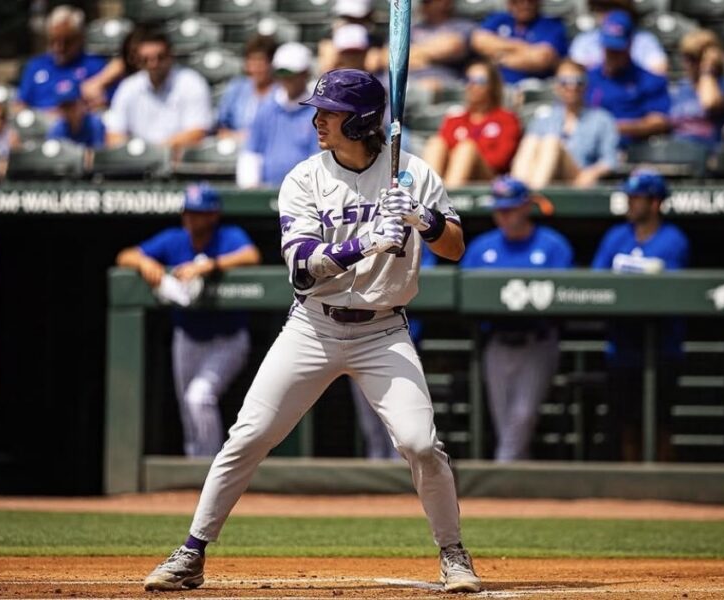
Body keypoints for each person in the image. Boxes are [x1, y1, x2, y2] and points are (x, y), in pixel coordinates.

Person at [142, 69, 482, 593]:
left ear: (363, 121)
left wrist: (422, 217)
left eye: (329, 111)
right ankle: (191, 552)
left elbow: (456, 247)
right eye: (317, 110)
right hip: (313, 326)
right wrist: (365, 242)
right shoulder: (304, 178)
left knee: (420, 443)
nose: (318, 119)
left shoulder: (414, 173)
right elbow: (301, 267)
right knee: (249, 435)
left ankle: (454, 555)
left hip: (382, 331)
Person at [115, 184, 261, 457]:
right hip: (188, 338)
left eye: (198, 213)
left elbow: (251, 256)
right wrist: (144, 263)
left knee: (199, 398)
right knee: (188, 409)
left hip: (227, 339)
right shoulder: (174, 239)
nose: (191, 218)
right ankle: (194, 469)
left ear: (213, 215)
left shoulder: (228, 236)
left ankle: (209, 468)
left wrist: (211, 265)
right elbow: (125, 255)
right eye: (188, 212)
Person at [461, 176, 572, 461]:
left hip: (537, 341)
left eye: (510, 208)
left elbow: (566, 296)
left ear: (526, 207)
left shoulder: (552, 245)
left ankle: (500, 473)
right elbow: (462, 292)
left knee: (523, 416)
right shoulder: (481, 247)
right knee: (505, 421)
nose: (503, 215)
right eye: (499, 209)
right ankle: (517, 489)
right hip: (497, 342)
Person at [591, 170, 688, 461]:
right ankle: (631, 491)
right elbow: (597, 278)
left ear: (655, 202)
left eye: (637, 198)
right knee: (625, 420)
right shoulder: (616, 236)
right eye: (629, 197)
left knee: (661, 420)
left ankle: (663, 488)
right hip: (623, 343)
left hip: (663, 344)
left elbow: (671, 288)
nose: (630, 204)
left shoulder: (673, 239)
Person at [349, 245, 438, 460]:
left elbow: (421, 276)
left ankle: (402, 480)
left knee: (401, 425)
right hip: (358, 338)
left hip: (400, 342)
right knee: (371, 427)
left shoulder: (412, 235)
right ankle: (378, 483)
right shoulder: (354, 230)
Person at [510, 59, 619, 189]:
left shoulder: (601, 119)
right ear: (556, 85)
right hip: (543, 175)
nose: (571, 87)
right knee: (532, 140)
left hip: (578, 176)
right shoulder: (544, 118)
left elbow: (610, 160)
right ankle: (517, 191)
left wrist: (593, 173)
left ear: (585, 85)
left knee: (552, 142)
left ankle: (532, 196)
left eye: (578, 81)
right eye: (564, 82)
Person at [103, 31, 212, 152]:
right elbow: (114, 135)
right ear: (138, 60)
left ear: (171, 55)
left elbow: (197, 133)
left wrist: (154, 153)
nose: (153, 64)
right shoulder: (128, 87)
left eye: (160, 57)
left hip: (178, 160)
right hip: (137, 162)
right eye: (146, 59)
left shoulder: (192, 83)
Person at [423, 60, 521, 187]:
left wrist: (471, 154)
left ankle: (448, 198)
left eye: (479, 81)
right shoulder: (455, 119)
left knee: (467, 148)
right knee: (436, 143)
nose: (472, 85)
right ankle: (426, 193)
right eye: (468, 80)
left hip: (489, 179)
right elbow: (444, 150)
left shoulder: (506, 119)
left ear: (492, 86)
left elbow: (501, 161)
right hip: (452, 171)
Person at [236, 43, 320, 188]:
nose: (286, 79)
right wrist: (252, 188)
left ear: (305, 73)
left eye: (291, 73)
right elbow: (251, 152)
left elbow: (319, 159)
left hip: (307, 194)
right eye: (281, 73)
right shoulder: (266, 109)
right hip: (266, 190)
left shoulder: (318, 112)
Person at [584, 11, 671, 147]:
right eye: (608, 48)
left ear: (630, 44)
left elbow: (659, 121)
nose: (612, 54)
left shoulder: (648, 80)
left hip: (633, 149)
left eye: (617, 49)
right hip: (591, 147)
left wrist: (616, 128)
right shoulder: (589, 78)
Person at [16, 5, 113, 110]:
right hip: (40, 122)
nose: (59, 47)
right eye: (54, 40)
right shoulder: (35, 66)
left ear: (80, 38)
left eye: (67, 41)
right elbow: (20, 105)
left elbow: (104, 104)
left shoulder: (95, 66)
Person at [668, 30, 724, 151]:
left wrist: (707, 71)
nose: (688, 63)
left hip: (708, 154)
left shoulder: (723, 85)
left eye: (694, 58)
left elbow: (709, 104)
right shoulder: (680, 87)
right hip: (679, 153)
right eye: (686, 57)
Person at [470, 0, 568, 84]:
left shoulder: (551, 25)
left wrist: (499, 57)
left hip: (533, 87)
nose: (525, 5)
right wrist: (524, 48)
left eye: (530, 0)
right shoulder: (499, 19)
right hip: (497, 87)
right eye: (518, 1)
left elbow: (542, 58)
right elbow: (479, 41)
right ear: (510, 3)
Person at [568, 0, 667, 75]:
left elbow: (659, 72)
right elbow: (574, 75)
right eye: (601, 8)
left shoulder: (645, 41)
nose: (607, 14)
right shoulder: (584, 41)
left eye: (613, 8)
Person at [215, 35, 279, 140]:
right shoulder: (236, 89)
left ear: (271, 63)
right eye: (252, 62)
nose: (256, 69)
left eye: (261, 63)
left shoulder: (281, 92)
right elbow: (221, 127)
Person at [408, 0, 476, 90]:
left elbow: (451, 47)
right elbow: (386, 57)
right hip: (410, 83)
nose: (423, 4)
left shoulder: (461, 26)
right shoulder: (411, 29)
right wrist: (430, 55)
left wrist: (410, 55)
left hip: (444, 83)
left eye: (428, 1)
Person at [318, 0, 386, 74]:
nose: (349, 22)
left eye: (355, 18)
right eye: (345, 18)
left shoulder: (377, 43)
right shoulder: (329, 41)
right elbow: (327, 67)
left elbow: (373, 65)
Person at [47, 80, 106, 148]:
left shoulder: (94, 124)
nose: (69, 111)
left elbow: (98, 154)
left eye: (72, 105)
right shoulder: (58, 128)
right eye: (65, 107)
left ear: (81, 103)